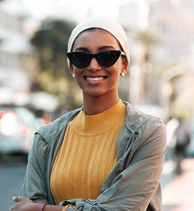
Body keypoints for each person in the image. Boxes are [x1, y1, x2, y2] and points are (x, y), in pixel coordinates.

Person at [10, 17, 167, 211]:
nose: (93, 66)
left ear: (124, 64)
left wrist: (42, 209)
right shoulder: (46, 138)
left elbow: (122, 209)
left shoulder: (148, 132)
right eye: (81, 57)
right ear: (71, 66)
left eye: (107, 55)